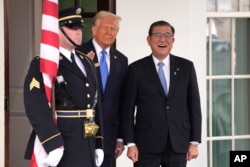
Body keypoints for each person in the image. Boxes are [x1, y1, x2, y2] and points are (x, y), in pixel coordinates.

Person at [24, 7, 104, 167]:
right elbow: (35, 105)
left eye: (80, 27)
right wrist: (52, 143)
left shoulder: (86, 61)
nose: (79, 32)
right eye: (72, 28)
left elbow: (96, 104)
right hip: (62, 139)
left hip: (87, 139)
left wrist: (98, 142)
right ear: (57, 31)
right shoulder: (44, 62)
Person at [121, 20, 202, 167]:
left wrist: (194, 142)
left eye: (167, 35)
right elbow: (127, 109)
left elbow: (194, 106)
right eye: (157, 35)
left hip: (178, 142)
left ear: (173, 41)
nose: (162, 39)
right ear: (149, 40)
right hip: (145, 144)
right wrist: (131, 143)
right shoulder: (135, 69)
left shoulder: (186, 67)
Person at [77, 11, 128, 167]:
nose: (109, 32)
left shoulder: (121, 60)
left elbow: (123, 100)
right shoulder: (78, 54)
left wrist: (121, 137)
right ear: (93, 30)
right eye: (105, 27)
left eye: (114, 29)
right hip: (81, 133)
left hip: (109, 136)